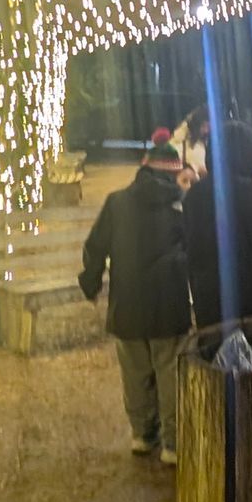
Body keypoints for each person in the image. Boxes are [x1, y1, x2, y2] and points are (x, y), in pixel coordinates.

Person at [78, 134, 191, 464]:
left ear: (143, 169)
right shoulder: (181, 205)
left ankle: (143, 435)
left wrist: (91, 282)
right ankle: (172, 444)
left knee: (136, 374)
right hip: (168, 305)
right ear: (172, 174)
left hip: (126, 303)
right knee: (169, 372)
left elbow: (94, 246)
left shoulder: (116, 202)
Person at [185, 118, 252, 331]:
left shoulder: (193, 195)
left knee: (214, 357)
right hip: (248, 298)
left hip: (207, 298)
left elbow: (189, 246)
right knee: (250, 358)